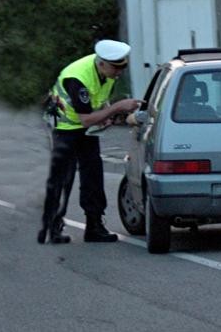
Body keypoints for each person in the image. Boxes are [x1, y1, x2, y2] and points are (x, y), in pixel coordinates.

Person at [37, 39, 143, 244]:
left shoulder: (107, 72)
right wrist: (117, 108)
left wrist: (108, 114)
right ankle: (52, 226)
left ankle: (94, 226)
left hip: (86, 130)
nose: (119, 72)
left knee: (93, 175)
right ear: (101, 63)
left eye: (123, 67)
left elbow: (100, 102)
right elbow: (85, 117)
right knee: (63, 178)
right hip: (64, 129)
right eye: (116, 68)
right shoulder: (77, 78)